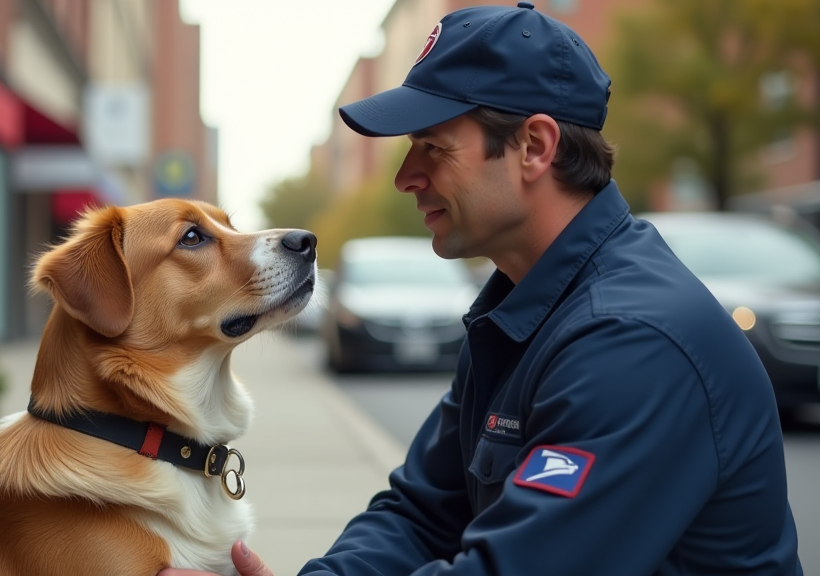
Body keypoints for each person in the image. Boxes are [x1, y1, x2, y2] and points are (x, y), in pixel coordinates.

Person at [160, 2, 804, 575]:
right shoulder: (522, 311)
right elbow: (420, 512)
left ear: (534, 146)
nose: (406, 177)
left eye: (433, 148)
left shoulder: (634, 343)